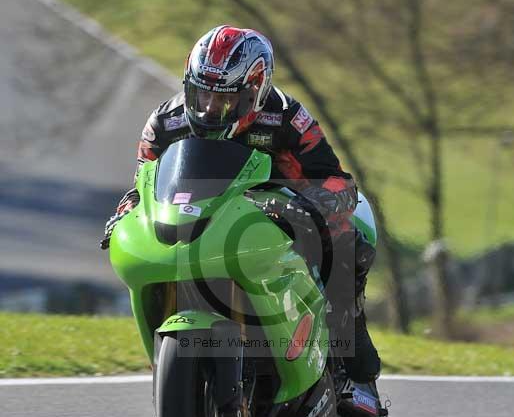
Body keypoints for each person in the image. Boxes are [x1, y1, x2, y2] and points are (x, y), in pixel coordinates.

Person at [101, 25, 380, 382]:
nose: (209, 109)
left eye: (225, 99)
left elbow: (337, 181)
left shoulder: (287, 117)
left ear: (255, 91)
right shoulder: (164, 123)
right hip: (210, 223)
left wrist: (312, 203)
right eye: (201, 95)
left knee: (347, 237)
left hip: (282, 220)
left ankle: (347, 328)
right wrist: (125, 213)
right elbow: (144, 186)